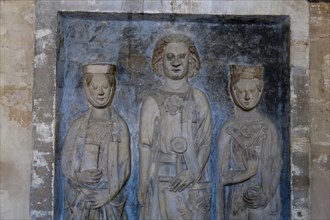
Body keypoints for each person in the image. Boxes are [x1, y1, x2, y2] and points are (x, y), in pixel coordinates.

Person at [138, 34, 212, 219]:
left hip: (192, 180)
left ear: (191, 60)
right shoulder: (152, 101)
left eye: (182, 57)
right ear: (160, 61)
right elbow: (145, 145)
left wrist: (193, 172)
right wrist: (143, 181)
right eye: (170, 57)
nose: (176, 62)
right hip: (162, 178)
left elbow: (205, 142)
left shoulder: (199, 98)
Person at [61, 64, 130, 220]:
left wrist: (108, 195)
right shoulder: (77, 126)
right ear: (87, 88)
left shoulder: (120, 126)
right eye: (95, 87)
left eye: (105, 86)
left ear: (113, 87)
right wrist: (79, 177)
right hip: (81, 198)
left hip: (108, 200)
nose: (100, 92)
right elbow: (66, 161)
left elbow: (124, 167)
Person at [217, 65, 282, 219]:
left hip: (262, 207)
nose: (247, 97)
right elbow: (221, 177)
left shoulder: (269, 128)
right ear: (233, 92)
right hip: (237, 206)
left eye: (252, 91)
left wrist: (266, 195)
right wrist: (248, 173)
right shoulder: (229, 127)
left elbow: (275, 169)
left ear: (260, 90)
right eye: (241, 91)